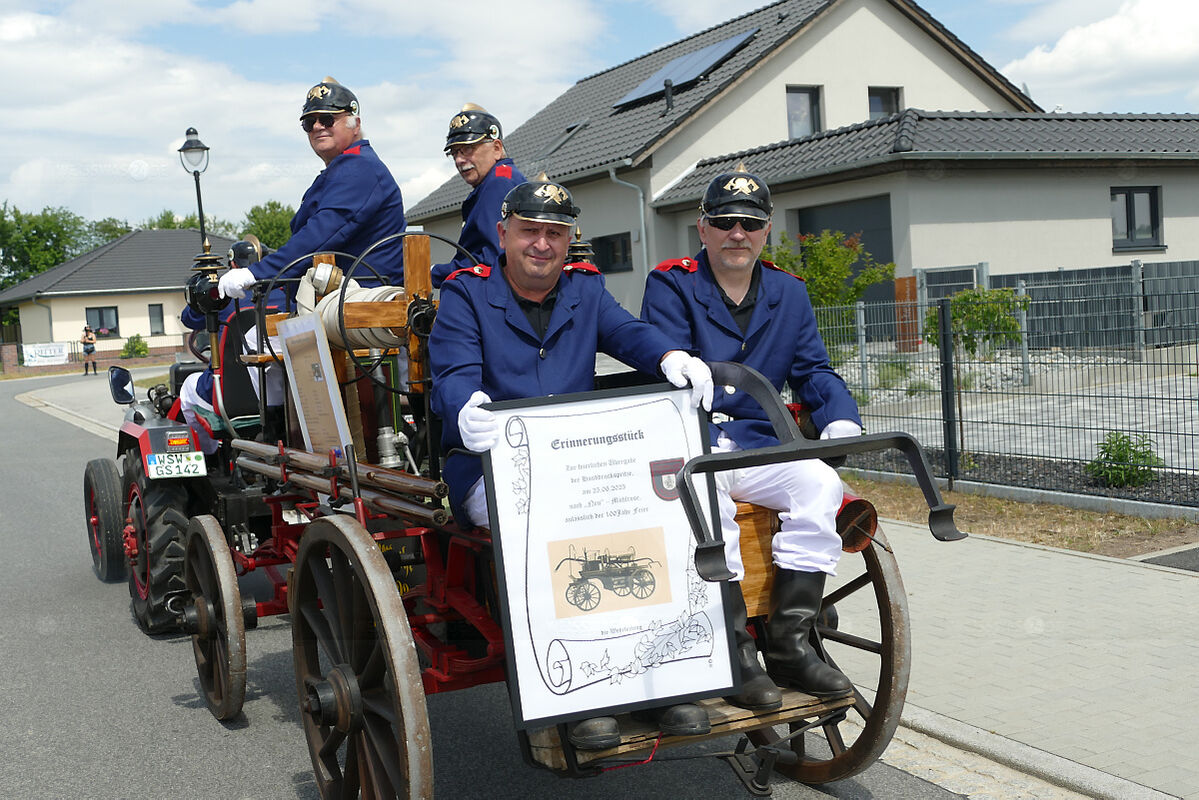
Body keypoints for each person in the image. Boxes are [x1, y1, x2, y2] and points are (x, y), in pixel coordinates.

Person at [429, 175, 715, 751]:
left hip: (577, 462)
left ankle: (667, 673)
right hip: (490, 465)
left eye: (555, 234)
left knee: (651, 515)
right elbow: (454, 372)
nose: (542, 244)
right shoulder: (466, 293)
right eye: (530, 232)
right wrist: (466, 408)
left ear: (569, 240)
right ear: (504, 234)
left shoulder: (585, 288)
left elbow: (627, 333)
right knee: (565, 527)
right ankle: (584, 695)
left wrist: (671, 355)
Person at [640, 164, 864, 710]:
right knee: (708, 503)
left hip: (761, 442)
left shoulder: (788, 291)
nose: (737, 234)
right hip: (694, 445)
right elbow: (663, 368)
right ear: (702, 228)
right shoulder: (671, 283)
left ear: (766, 229)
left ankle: (789, 644)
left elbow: (813, 369)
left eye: (749, 223)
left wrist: (839, 414)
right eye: (724, 222)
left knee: (818, 482)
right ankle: (736, 653)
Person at [217, 77, 407, 302]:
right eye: (309, 123)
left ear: (355, 124)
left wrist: (256, 272)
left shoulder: (360, 167)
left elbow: (322, 234)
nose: (317, 127)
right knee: (255, 336)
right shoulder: (344, 168)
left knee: (252, 338)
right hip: (339, 298)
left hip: (366, 303)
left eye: (327, 119)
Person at [431, 104, 526, 288]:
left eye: (468, 149)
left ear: (497, 148)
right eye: (455, 152)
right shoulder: (503, 177)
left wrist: (433, 272)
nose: (459, 160)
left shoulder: (498, 183)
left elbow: (492, 260)